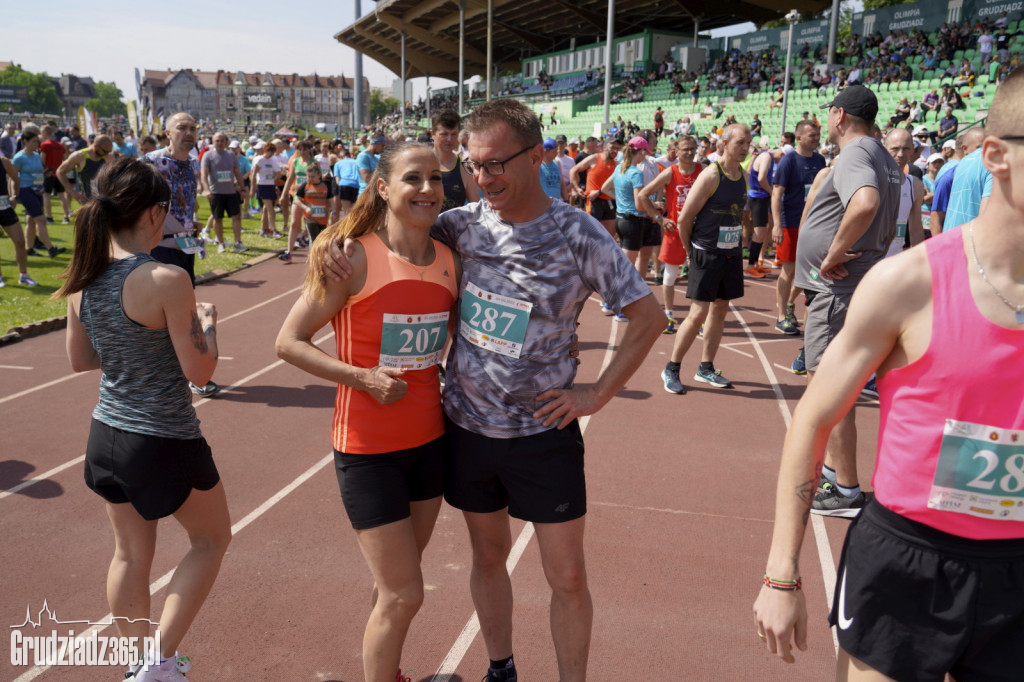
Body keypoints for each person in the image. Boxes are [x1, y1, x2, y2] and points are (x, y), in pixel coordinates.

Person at [321, 98, 663, 682]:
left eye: (497, 163)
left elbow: (647, 316)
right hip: (468, 430)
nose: (484, 178)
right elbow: (397, 227)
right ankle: (500, 667)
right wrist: (334, 239)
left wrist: (595, 395)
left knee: (568, 577)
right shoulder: (462, 225)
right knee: (486, 556)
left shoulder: (578, 233)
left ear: (537, 158)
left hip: (544, 434)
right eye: (475, 166)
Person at [753, 67, 1024, 680]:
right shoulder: (907, 284)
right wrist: (781, 573)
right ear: (997, 157)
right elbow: (812, 423)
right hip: (910, 562)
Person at [277, 141, 457, 682]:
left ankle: (389, 671)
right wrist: (361, 377)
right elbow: (289, 341)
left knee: (393, 588)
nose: (427, 189)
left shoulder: (450, 260)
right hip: (368, 449)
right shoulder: (352, 256)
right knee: (405, 593)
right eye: (412, 179)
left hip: (429, 443)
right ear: (383, 187)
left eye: (434, 178)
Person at [57, 157, 230, 682]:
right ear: (156, 213)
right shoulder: (165, 278)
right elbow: (200, 370)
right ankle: (158, 661)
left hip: (107, 434)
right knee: (212, 540)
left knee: (130, 555)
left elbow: (81, 361)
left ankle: (141, 662)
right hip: (163, 439)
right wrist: (208, 326)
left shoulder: (83, 277)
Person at [795, 85, 901, 516]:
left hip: (840, 286)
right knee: (840, 385)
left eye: (829, 115)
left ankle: (846, 489)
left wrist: (833, 253)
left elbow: (865, 203)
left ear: (839, 115)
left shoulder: (856, 151)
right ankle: (840, 476)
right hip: (856, 280)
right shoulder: (883, 156)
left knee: (829, 386)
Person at [660, 124, 752, 394]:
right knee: (698, 313)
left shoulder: (743, 175)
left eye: (748, 143)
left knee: (721, 310)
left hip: (731, 252)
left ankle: (706, 367)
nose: (746, 148)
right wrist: (691, 251)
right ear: (724, 143)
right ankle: (672, 367)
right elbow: (685, 218)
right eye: (741, 143)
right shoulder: (711, 175)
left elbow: (741, 214)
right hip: (706, 251)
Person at [143, 112, 220, 399]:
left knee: (185, 310)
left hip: (185, 245)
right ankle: (184, 376)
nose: (188, 132)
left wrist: (190, 223)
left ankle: (188, 373)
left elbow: (183, 201)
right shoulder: (151, 162)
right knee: (171, 314)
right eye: (181, 128)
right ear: (167, 132)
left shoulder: (192, 162)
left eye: (192, 128)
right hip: (159, 247)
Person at [638, 135, 702, 333]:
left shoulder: (703, 171)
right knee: (670, 277)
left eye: (692, 148)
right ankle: (669, 315)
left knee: (698, 278)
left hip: (699, 232)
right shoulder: (670, 173)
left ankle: (697, 318)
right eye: (685, 149)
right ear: (676, 151)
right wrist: (660, 219)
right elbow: (642, 195)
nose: (690, 152)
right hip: (675, 232)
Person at [771, 121, 826, 338]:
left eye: (818, 134)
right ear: (800, 137)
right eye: (812, 135)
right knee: (789, 270)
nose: (816, 138)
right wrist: (777, 224)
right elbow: (776, 194)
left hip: (815, 224)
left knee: (813, 271)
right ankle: (782, 315)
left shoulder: (820, 160)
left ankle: (791, 302)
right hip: (791, 223)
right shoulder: (789, 161)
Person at [602, 137, 656, 303]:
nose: (644, 157)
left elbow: (605, 188)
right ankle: (614, 302)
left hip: (620, 220)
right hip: (633, 221)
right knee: (626, 268)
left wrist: (620, 200)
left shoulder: (619, 169)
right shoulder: (635, 172)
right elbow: (640, 206)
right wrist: (654, 206)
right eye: (644, 153)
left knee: (623, 265)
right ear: (639, 152)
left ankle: (610, 300)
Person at [12, 130, 63, 258]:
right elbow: (13, 177)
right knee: (40, 219)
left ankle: (28, 249)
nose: (37, 144)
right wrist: (13, 194)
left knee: (31, 221)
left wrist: (46, 172)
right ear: (25, 141)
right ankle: (51, 248)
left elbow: (39, 170)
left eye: (37, 141)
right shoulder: (19, 157)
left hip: (38, 190)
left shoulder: (36, 155)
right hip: (26, 190)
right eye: (34, 141)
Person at [199, 133, 247, 253]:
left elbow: (238, 173)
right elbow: (204, 175)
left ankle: (238, 242)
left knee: (236, 217)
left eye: (222, 141)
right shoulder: (208, 155)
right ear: (213, 142)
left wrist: (243, 188)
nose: (220, 143)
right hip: (216, 193)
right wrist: (206, 189)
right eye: (217, 141)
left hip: (231, 192)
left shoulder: (231, 155)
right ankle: (220, 243)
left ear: (226, 142)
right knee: (217, 218)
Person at [0, 152, 39, 287]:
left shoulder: (3, 161)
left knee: (20, 241)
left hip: (5, 208)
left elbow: (15, 179)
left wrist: (14, 196)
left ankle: (23, 275)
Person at [570, 138, 621, 240]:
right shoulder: (594, 158)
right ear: (604, 147)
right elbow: (573, 171)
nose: (615, 151)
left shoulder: (616, 165)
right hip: (594, 201)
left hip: (609, 201)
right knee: (591, 235)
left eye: (617, 148)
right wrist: (577, 188)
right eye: (612, 147)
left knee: (608, 237)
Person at [432, 109, 480, 212]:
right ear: (433, 134)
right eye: (444, 134)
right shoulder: (420, 163)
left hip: (454, 227)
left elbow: (476, 209)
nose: (449, 139)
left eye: (454, 134)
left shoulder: (464, 167)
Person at [289, 162, 337, 246]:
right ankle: (312, 258)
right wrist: (305, 208)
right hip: (310, 217)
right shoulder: (305, 186)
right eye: (308, 176)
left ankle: (318, 258)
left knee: (321, 239)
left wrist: (333, 212)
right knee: (314, 238)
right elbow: (296, 200)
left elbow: (331, 200)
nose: (310, 179)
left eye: (313, 177)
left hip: (323, 218)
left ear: (319, 175)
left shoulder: (325, 186)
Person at [57, 134, 112, 205]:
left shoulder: (109, 158)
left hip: (104, 200)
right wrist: (73, 193)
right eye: (105, 151)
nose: (107, 154)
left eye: (109, 151)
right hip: (87, 201)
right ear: (95, 146)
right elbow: (60, 172)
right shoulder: (79, 156)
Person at [39, 124, 72, 224]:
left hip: (48, 173)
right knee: (62, 195)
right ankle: (66, 217)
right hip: (59, 173)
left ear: (45, 133)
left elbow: (42, 160)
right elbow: (64, 159)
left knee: (46, 196)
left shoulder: (45, 145)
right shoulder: (60, 145)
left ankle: (49, 218)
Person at [252, 141, 284, 238]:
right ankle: (273, 229)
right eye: (270, 152)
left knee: (266, 209)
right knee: (270, 209)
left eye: (273, 152)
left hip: (270, 185)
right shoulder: (260, 160)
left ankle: (263, 229)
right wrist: (253, 188)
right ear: (265, 150)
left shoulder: (272, 160)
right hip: (262, 185)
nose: (271, 154)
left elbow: (278, 173)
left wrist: (273, 180)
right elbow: (253, 174)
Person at [333, 145, 360, 219]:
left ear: (341, 156)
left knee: (346, 210)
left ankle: (348, 228)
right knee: (354, 210)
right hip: (356, 185)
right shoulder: (357, 162)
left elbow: (337, 180)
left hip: (344, 184)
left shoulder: (338, 164)